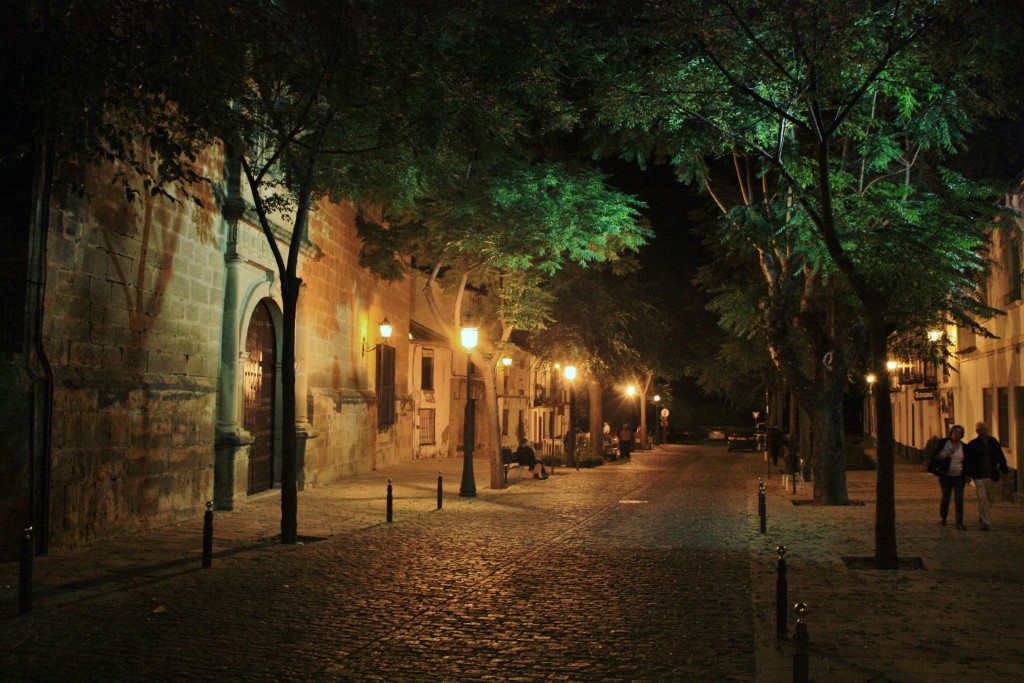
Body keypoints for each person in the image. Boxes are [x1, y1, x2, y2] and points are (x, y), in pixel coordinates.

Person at [964, 421, 1009, 530]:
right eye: (980, 430)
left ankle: (982, 514)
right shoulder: (973, 444)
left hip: (991, 475)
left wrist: (1004, 470)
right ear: (977, 431)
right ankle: (985, 522)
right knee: (982, 498)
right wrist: (967, 474)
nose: (982, 432)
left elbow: (1000, 456)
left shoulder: (993, 442)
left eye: (984, 429)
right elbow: (968, 461)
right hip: (978, 475)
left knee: (990, 498)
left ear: (987, 430)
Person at [927, 424, 968, 530]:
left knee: (959, 498)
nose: (957, 434)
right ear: (951, 433)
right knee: (946, 497)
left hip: (959, 476)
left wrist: (967, 474)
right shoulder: (944, 443)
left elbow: (967, 461)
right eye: (955, 432)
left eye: (960, 432)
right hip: (946, 476)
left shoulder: (964, 447)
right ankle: (944, 518)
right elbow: (936, 456)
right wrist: (947, 454)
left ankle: (959, 521)